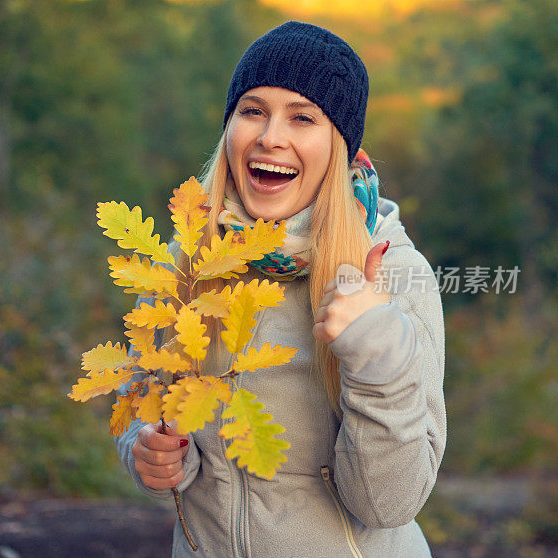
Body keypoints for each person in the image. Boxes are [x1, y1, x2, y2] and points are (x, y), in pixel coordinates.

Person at [115, 20, 446, 558]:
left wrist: (379, 355)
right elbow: (140, 403)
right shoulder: (185, 263)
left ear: (338, 145)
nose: (271, 136)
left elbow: (389, 505)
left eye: (302, 118)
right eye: (252, 110)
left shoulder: (389, 275)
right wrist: (148, 448)